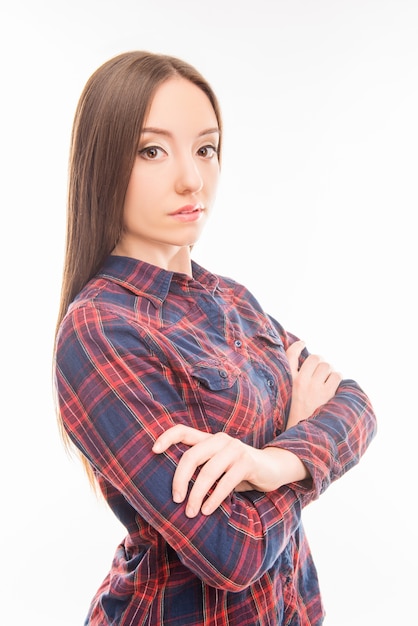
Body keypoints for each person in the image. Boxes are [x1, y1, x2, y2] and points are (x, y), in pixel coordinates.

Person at [53, 50, 377, 626]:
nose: (191, 178)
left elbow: (355, 404)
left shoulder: (231, 298)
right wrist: (303, 453)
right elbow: (231, 552)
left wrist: (275, 462)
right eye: (152, 150)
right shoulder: (100, 329)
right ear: (104, 162)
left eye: (206, 148)